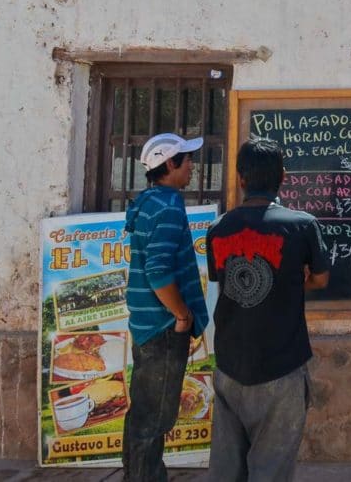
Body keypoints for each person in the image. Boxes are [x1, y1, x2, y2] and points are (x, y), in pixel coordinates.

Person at [206, 138, 330, 481]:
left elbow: (227, 281)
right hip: (282, 365)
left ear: (241, 178)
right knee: (271, 469)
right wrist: (290, 281)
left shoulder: (218, 230)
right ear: (284, 176)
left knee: (227, 469)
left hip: (230, 365)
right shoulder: (302, 225)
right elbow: (320, 279)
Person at [123, 132, 209, 481]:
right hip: (162, 328)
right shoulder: (169, 206)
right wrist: (182, 315)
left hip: (147, 326)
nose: (192, 166)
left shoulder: (148, 201)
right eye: (187, 159)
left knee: (143, 412)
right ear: (170, 164)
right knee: (155, 417)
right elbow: (158, 272)